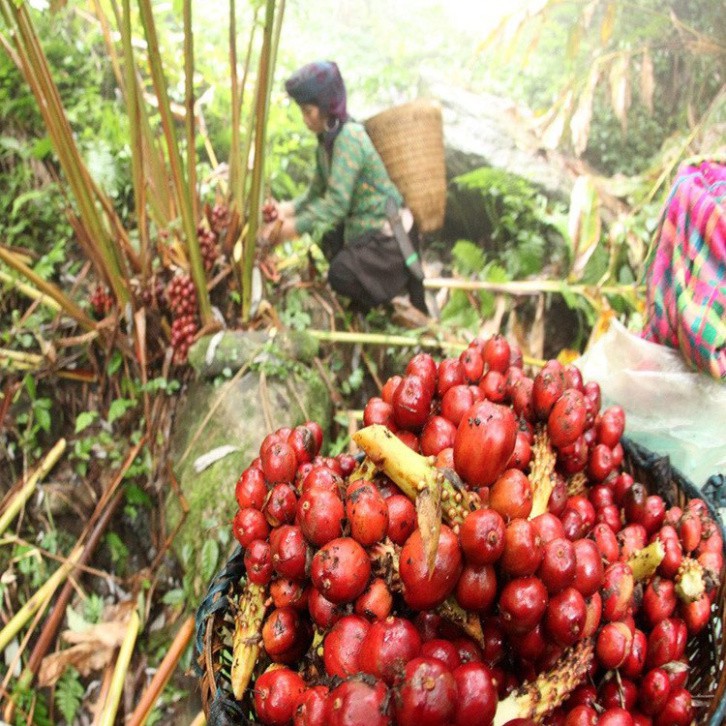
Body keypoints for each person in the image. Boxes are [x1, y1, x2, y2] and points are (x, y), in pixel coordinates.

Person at [262, 60, 428, 315]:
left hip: (390, 240)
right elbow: (315, 193)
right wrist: (283, 211)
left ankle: (391, 291)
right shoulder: (326, 143)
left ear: (326, 106)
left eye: (308, 111)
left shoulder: (349, 138)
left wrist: (289, 230)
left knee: (339, 275)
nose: (305, 119)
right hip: (365, 231)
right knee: (324, 236)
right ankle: (368, 292)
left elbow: (336, 204)